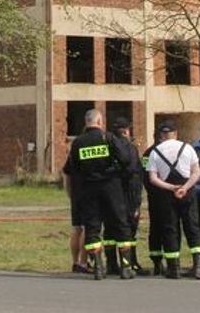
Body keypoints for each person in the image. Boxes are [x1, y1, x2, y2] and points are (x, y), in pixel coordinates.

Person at [63, 108, 135, 280]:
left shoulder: (78, 143)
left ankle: (98, 268)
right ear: (100, 122)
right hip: (111, 187)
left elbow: (73, 169)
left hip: (88, 189)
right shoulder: (108, 138)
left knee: (92, 228)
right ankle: (126, 268)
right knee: (120, 224)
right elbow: (125, 159)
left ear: (86, 122)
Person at [147, 120, 200, 280]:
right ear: (175, 134)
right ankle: (199, 267)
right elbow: (196, 172)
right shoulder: (188, 148)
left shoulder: (155, 152)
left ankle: (174, 269)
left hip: (166, 195)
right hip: (187, 192)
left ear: (161, 135)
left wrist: (170, 187)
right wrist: (184, 187)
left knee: (170, 229)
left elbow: (153, 178)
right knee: (192, 227)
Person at [108, 118, 147, 276]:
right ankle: (130, 263)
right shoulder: (130, 148)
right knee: (129, 231)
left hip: (110, 194)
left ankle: (111, 264)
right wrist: (137, 202)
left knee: (110, 232)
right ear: (125, 131)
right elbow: (135, 176)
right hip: (128, 195)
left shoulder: (107, 146)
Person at [141, 125, 165, 275]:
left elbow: (145, 176)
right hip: (164, 195)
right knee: (168, 228)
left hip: (154, 196)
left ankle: (157, 262)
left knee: (155, 229)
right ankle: (162, 262)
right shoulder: (151, 152)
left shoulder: (148, 152)